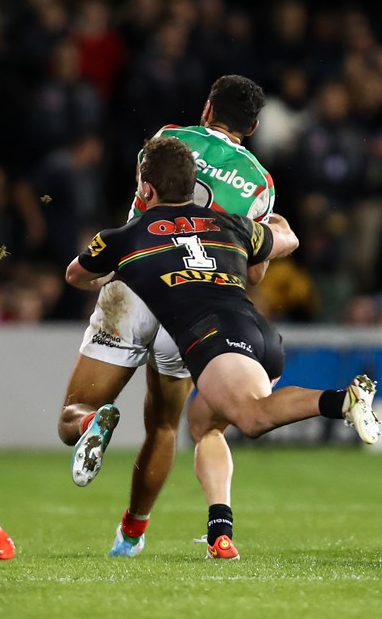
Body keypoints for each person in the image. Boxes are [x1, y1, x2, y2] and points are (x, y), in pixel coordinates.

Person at [66, 136, 380, 560]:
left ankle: (342, 399)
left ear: (146, 188)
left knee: (249, 416)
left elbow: (75, 275)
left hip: (206, 335)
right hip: (257, 332)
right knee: (201, 426)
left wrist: (111, 273)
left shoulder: (126, 236)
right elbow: (283, 242)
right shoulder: (230, 224)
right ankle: (219, 531)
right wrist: (273, 219)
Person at [57, 75, 278, 559]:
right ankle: (132, 534)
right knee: (162, 426)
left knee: (73, 412)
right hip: (196, 304)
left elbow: (143, 197)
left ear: (207, 108)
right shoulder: (260, 182)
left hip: (133, 280)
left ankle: (92, 420)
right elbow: (255, 271)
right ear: (255, 126)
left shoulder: (166, 141)